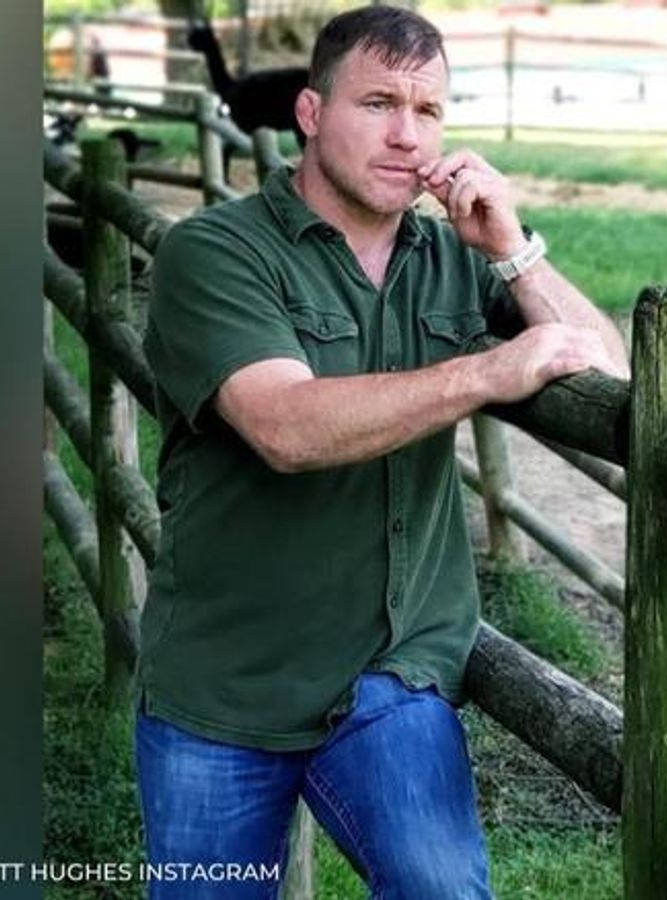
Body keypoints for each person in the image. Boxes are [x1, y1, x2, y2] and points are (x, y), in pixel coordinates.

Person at [135, 5, 628, 898]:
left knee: (444, 892)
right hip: (228, 683)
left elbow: (606, 366)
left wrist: (514, 252)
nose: (407, 135)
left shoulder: (453, 260)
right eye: (378, 103)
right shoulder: (213, 251)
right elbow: (285, 427)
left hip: (391, 674)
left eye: (429, 111)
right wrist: (483, 372)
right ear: (312, 114)